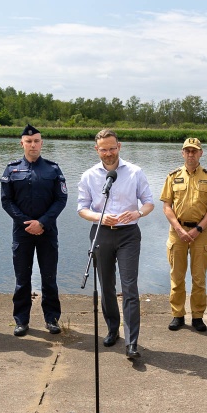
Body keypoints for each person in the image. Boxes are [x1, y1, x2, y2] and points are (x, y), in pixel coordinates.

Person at [77, 129, 155, 360]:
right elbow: (82, 209)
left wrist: (137, 213)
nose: (108, 153)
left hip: (128, 234)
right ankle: (113, 329)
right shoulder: (89, 176)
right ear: (96, 149)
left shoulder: (135, 172)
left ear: (119, 146)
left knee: (130, 287)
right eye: (104, 149)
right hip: (101, 232)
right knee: (106, 286)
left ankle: (132, 342)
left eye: (112, 148)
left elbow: (149, 202)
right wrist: (99, 217)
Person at [1, 124, 68, 337]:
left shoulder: (53, 169)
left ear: (41, 143)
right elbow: (6, 201)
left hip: (47, 231)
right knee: (22, 278)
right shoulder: (11, 169)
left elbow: (61, 199)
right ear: (22, 143)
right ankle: (21, 321)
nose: (32, 145)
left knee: (49, 278)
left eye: (36, 141)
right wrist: (26, 223)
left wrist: (42, 222)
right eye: (28, 141)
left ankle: (52, 319)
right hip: (22, 233)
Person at [160, 138, 207, 332]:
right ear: (182, 153)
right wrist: (179, 229)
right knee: (177, 277)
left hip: (200, 233)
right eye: (187, 151)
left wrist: (198, 229)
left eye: (194, 151)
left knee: (199, 277)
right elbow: (167, 206)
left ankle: (198, 316)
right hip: (177, 232)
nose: (190, 154)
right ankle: (177, 315)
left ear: (201, 153)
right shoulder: (173, 176)